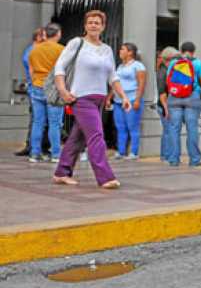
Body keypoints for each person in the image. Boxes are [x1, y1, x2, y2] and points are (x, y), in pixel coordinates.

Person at [53, 10, 131, 189]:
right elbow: (59, 67)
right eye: (90, 22)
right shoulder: (77, 43)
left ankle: (61, 173)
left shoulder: (107, 50)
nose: (93, 25)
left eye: (97, 22)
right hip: (81, 98)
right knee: (96, 136)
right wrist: (63, 91)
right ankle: (105, 177)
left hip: (99, 100)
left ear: (103, 27)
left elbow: (113, 76)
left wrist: (123, 96)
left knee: (77, 138)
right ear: (85, 25)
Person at [28, 23, 65, 163]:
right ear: (58, 33)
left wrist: (37, 81)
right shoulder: (61, 49)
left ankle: (34, 153)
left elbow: (31, 71)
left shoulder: (34, 50)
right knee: (55, 123)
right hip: (54, 88)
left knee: (38, 122)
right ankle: (55, 154)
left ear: (45, 34)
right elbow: (64, 70)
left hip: (37, 86)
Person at [167, 41, 201, 167]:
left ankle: (174, 159)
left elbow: (169, 80)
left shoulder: (173, 62)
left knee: (174, 129)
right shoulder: (197, 63)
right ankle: (194, 160)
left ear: (181, 50)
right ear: (193, 51)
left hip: (174, 97)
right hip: (192, 97)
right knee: (192, 129)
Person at [106, 42, 146, 160]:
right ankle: (121, 151)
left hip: (133, 99)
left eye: (123, 49)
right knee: (120, 126)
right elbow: (116, 84)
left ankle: (134, 152)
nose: (120, 51)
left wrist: (138, 100)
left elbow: (142, 84)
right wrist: (109, 97)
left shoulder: (138, 66)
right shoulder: (120, 67)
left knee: (132, 126)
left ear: (130, 52)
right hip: (118, 101)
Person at [15, 28, 46, 157]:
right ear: (38, 37)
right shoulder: (32, 51)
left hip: (36, 87)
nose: (47, 38)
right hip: (37, 87)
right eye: (44, 35)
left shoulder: (33, 50)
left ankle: (35, 146)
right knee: (37, 119)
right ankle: (33, 146)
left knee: (37, 119)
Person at [156, 46, 179, 163]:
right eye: (175, 59)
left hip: (169, 106)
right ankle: (166, 156)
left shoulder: (169, 71)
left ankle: (167, 155)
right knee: (168, 131)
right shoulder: (162, 72)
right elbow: (162, 93)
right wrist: (166, 109)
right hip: (164, 106)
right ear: (168, 59)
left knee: (169, 131)